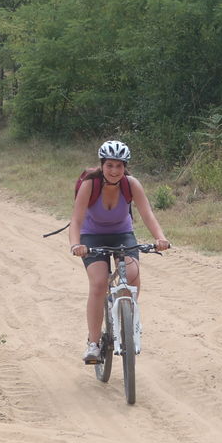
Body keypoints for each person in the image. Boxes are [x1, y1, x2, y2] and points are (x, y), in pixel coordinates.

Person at [69, 140, 171, 363]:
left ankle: (126, 322)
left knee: (133, 276)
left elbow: (147, 214)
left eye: (119, 166)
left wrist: (160, 238)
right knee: (98, 283)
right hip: (91, 236)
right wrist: (76, 244)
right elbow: (76, 220)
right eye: (110, 165)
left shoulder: (131, 184)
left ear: (125, 167)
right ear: (102, 165)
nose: (114, 171)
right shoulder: (90, 184)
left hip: (123, 234)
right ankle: (94, 344)